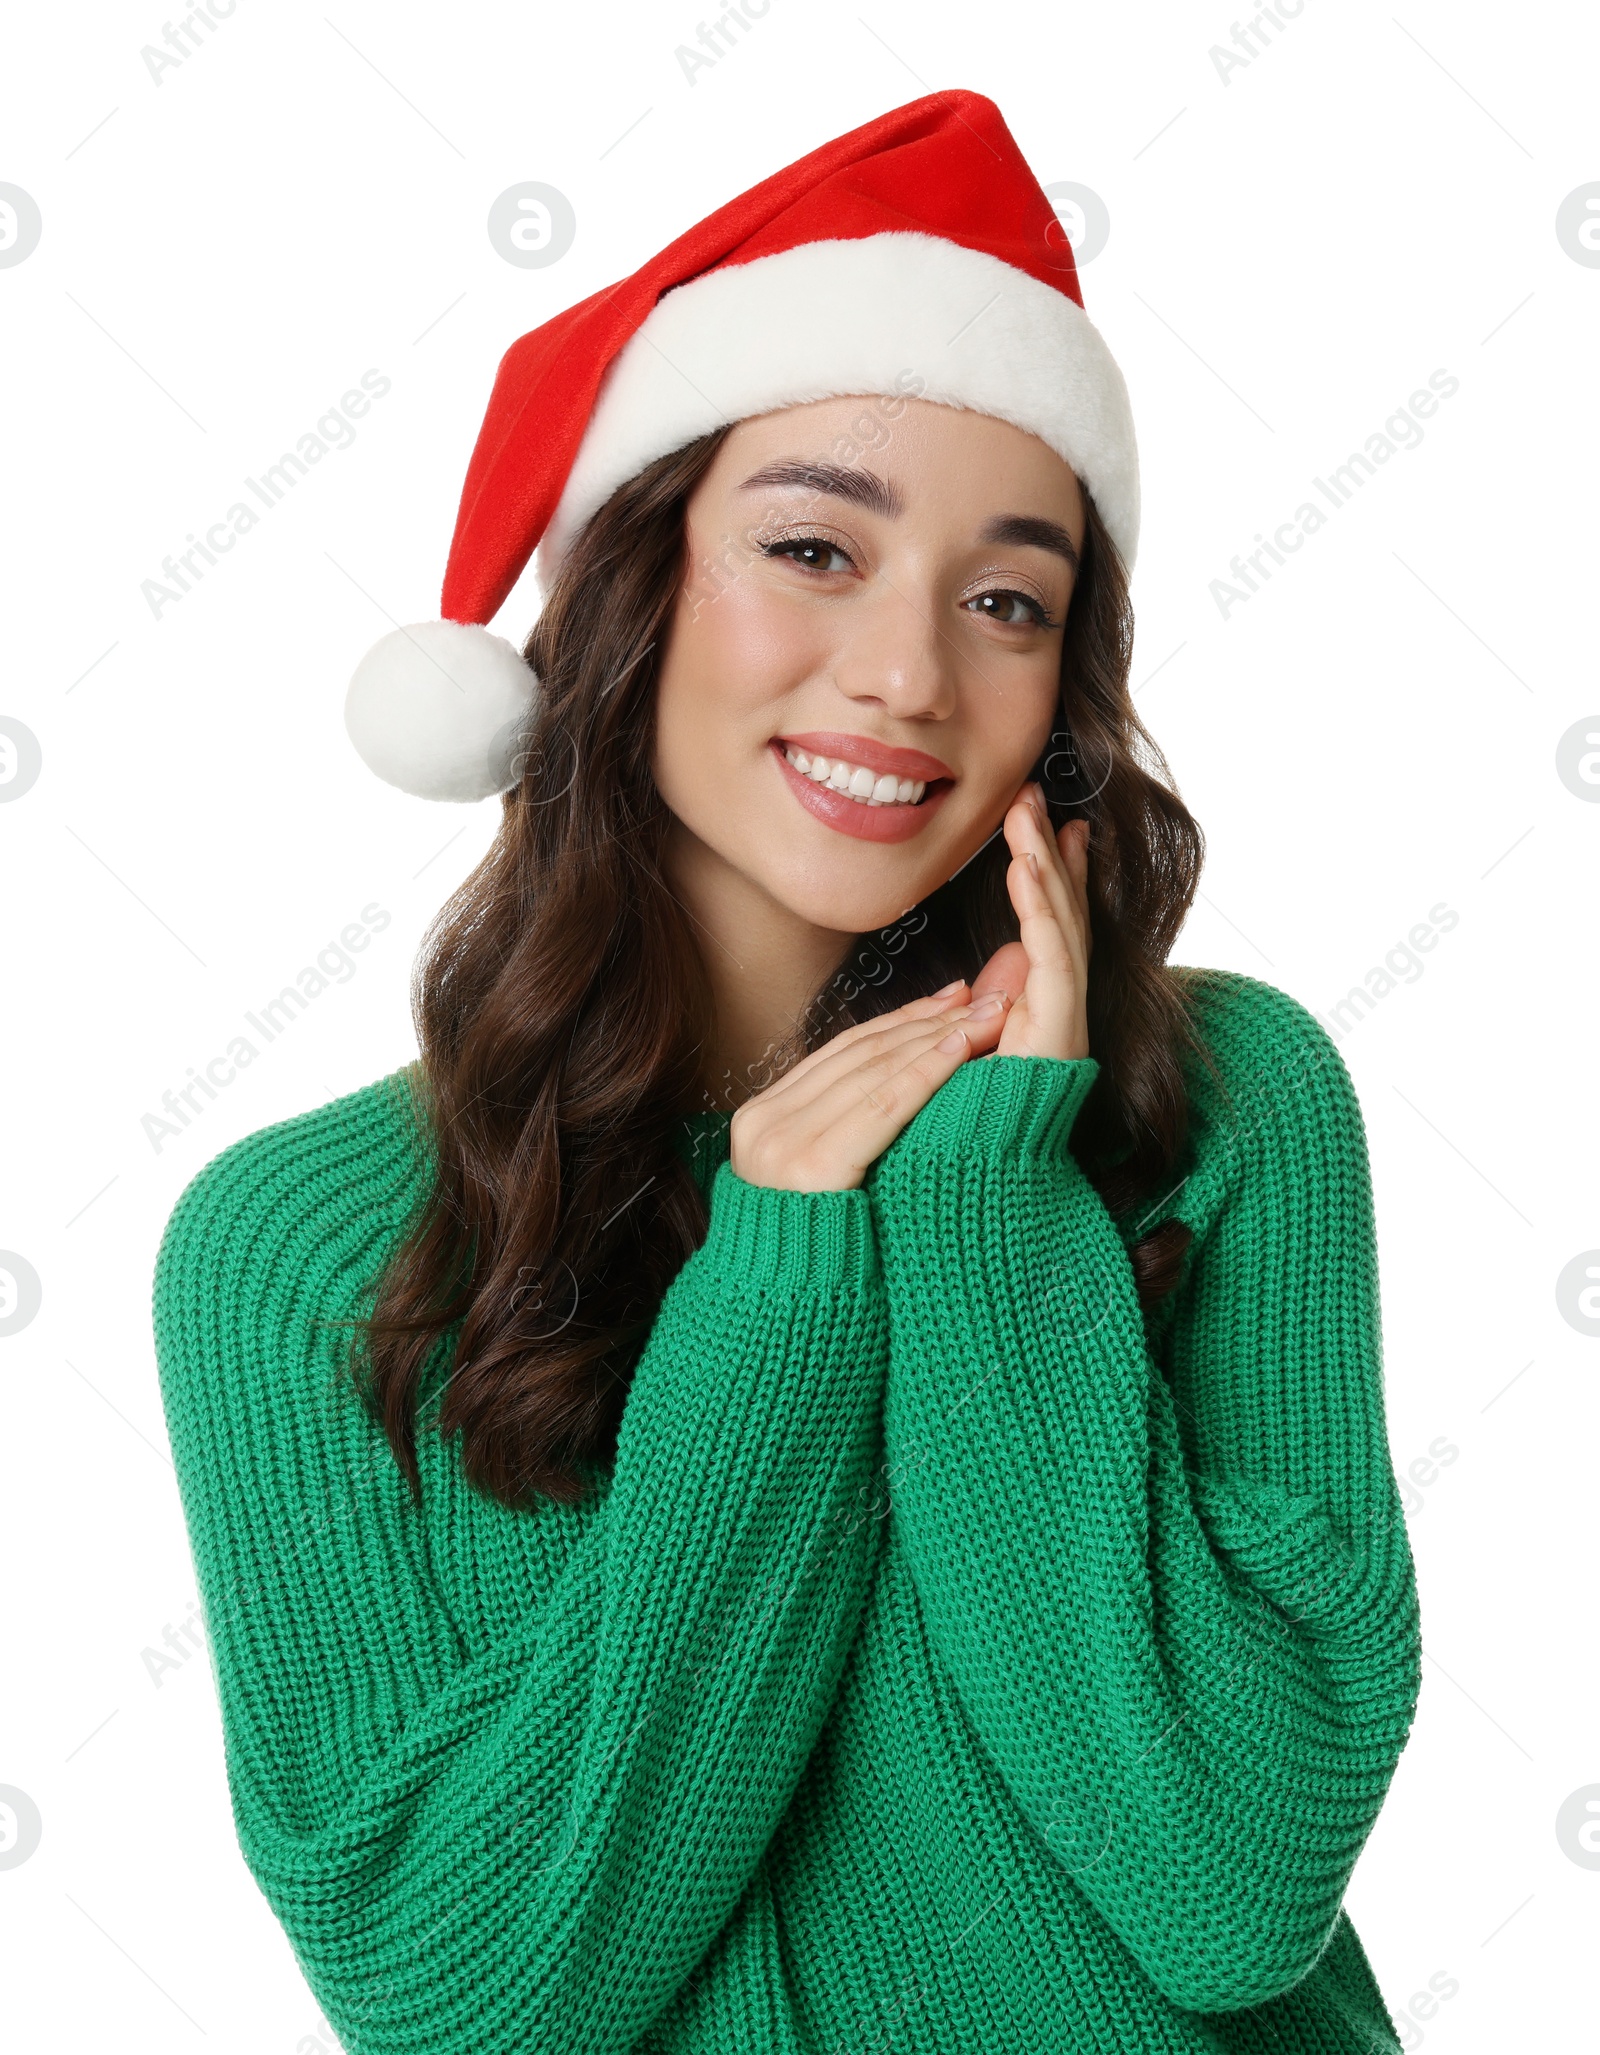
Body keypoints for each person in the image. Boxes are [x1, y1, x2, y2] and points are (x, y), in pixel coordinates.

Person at [151, 89, 1423, 2055]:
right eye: (813, 546)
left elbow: (1222, 1887)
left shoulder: (1220, 1104)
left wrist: (991, 1195)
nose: (910, 671)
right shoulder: (304, 1247)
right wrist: (775, 1288)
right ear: (627, 591)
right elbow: (461, 2002)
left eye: (1008, 594)